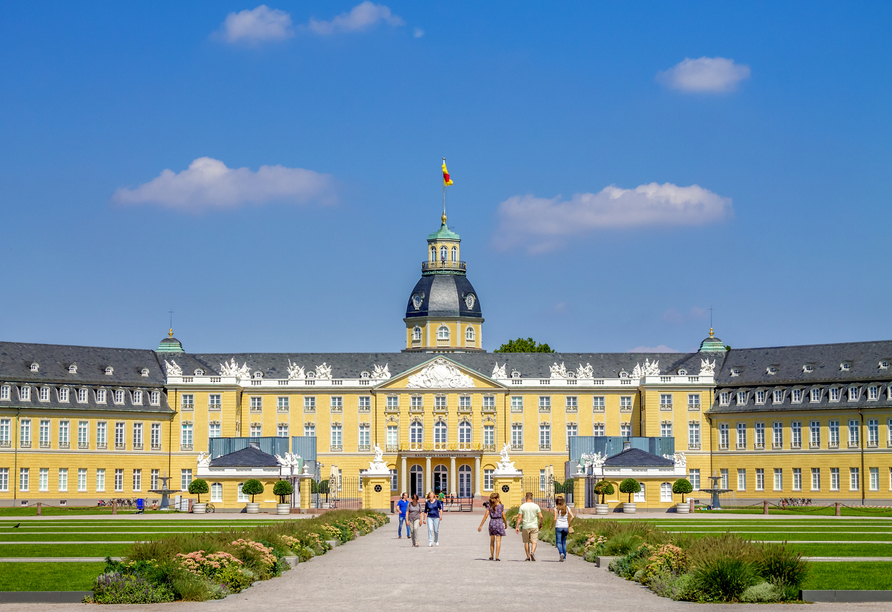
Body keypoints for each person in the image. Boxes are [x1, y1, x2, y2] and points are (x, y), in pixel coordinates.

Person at [477, 492, 506, 561]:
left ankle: (491, 555)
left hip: (492, 523)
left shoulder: (489, 507)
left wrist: (480, 526)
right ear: (498, 499)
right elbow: (504, 516)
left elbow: (485, 516)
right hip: (499, 522)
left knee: (492, 540)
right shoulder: (501, 506)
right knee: (498, 541)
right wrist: (506, 524)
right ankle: (497, 557)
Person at [514, 492, 543, 561]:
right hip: (534, 525)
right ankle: (532, 552)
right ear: (532, 498)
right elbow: (541, 516)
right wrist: (541, 524)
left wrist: (517, 526)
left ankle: (527, 556)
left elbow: (519, 517)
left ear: (526, 497)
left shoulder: (522, 506)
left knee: (526, 542)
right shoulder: (536, 506)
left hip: (525, 526)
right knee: (534, 541)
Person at [552, 494, 574, 562]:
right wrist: (569, 523)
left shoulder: (556, 508)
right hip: (565, 526)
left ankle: (561, 553)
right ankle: (564, 558)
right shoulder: (567, 508)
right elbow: (572, 516)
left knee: (558, 542)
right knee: (564, 542)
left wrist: (551, 525)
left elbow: (555, 519)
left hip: (558, 526)